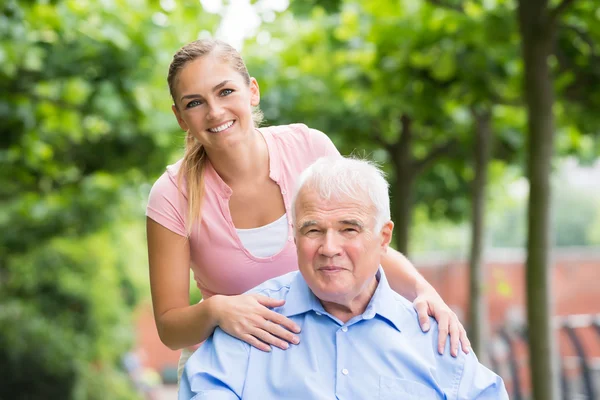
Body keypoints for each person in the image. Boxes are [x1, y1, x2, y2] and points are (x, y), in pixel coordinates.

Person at [146, 39, 470, 380]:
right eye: (195, 103)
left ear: (252, 91)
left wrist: (424, 290)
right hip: (229, 368)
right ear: (180, 117)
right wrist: (216, 310)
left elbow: (357, 244)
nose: (214, 111)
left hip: (322, 355)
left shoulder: (308, 148)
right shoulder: (171, 195)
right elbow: (170, 327)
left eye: (225, 91)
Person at [179, 156, 508, 399]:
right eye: (313, 230)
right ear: (294, 236)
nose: (329, 248)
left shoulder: (434, 337)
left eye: (348, 229)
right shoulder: (249, 322)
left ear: (383, 237)